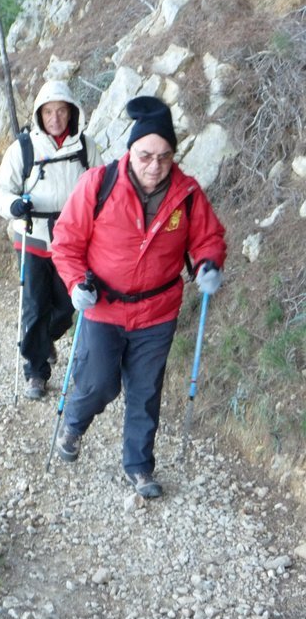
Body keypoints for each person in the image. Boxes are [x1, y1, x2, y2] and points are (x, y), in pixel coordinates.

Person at [51, 95, 227, 498]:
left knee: (146, 392)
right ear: (130, 150)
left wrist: (208, 265)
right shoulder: (98, 184)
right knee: (98, 384)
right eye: (146, 155)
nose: (155, 166)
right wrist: (77, 282)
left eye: (165, 157)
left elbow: (207, 238)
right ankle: (74, 424)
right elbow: (66, 241)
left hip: (157, 312)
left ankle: (139, 466)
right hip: (102, 306)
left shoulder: (187, 194)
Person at [0, 80, 103, 400]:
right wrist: (13, 206)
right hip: (33, 237)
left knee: (67, 306)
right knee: (35, 307)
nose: (55, 118)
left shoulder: (86, 147)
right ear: (40, 114)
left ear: (71, 114)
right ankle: (36, 372)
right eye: (49, 111)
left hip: (74, 240)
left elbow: (104, 185)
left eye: (62, 111)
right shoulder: (23, 148)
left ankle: (42, 340)